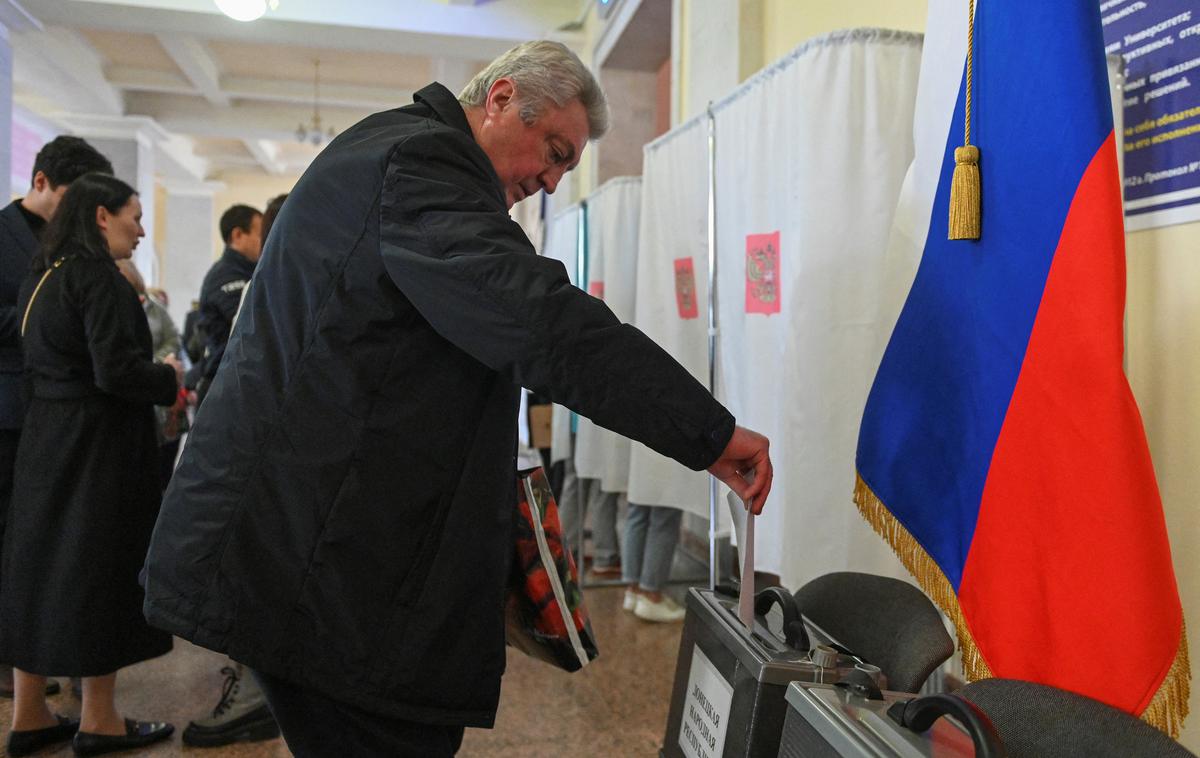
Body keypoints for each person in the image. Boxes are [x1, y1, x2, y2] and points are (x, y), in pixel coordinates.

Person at [142, 40, 773, 757]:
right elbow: (541, 321)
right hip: (312, 558)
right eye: (555, 150)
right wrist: (707, 433)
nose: (552, 180)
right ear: (501, 99)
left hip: (315, 543)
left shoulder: (395, 149)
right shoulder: (423, 166)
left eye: (568, 165)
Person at [0, 173, 179, 756]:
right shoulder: (97, 277)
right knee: (93, 571)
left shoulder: (41, 276)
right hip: (97, 447)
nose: (141, 228)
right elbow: (117, 371)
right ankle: (100, 721)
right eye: (133, 215)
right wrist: (169, 380)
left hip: (45, 438)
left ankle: (29, 716)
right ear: (101, 217)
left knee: (38, 569)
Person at [0, 136, 113, 700]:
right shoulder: (2, 236)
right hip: (8, 406)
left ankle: (51, 652)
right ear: (40, 182)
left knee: (54, 541)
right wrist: (49, 316)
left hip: (60, 413)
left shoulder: (72, 245)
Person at [117, 260, 188, 490]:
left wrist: (157, 361)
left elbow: (173, 339)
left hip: (158, 385)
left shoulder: (154, 308)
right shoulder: (112, 305)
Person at [185, 204, 262, 405]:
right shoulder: (226, 275)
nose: (266, 240)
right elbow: (251, 323)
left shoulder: (247, 272)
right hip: (224, 382)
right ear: (237, 235)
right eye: (261, 233)